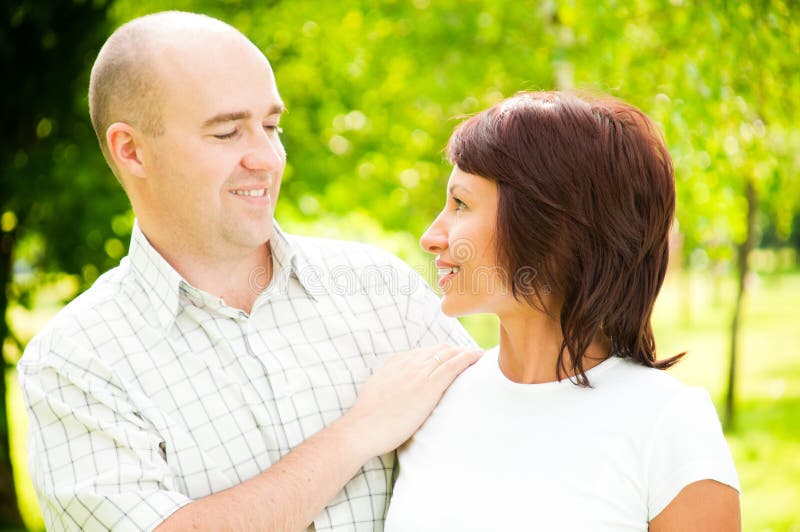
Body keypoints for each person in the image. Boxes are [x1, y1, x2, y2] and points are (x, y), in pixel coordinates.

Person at [17, 11, 482, 532]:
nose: (267, 157)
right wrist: (358, 434)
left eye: (270, 127)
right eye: (226, 133)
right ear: (133, 151)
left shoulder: (383, 290)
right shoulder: (76, 360)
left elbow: (508, 449)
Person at [385, 92, 741, 531]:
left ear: (550, 227)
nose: (431, 237)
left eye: (460, 204)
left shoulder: (667, 423)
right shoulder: (426, 401)